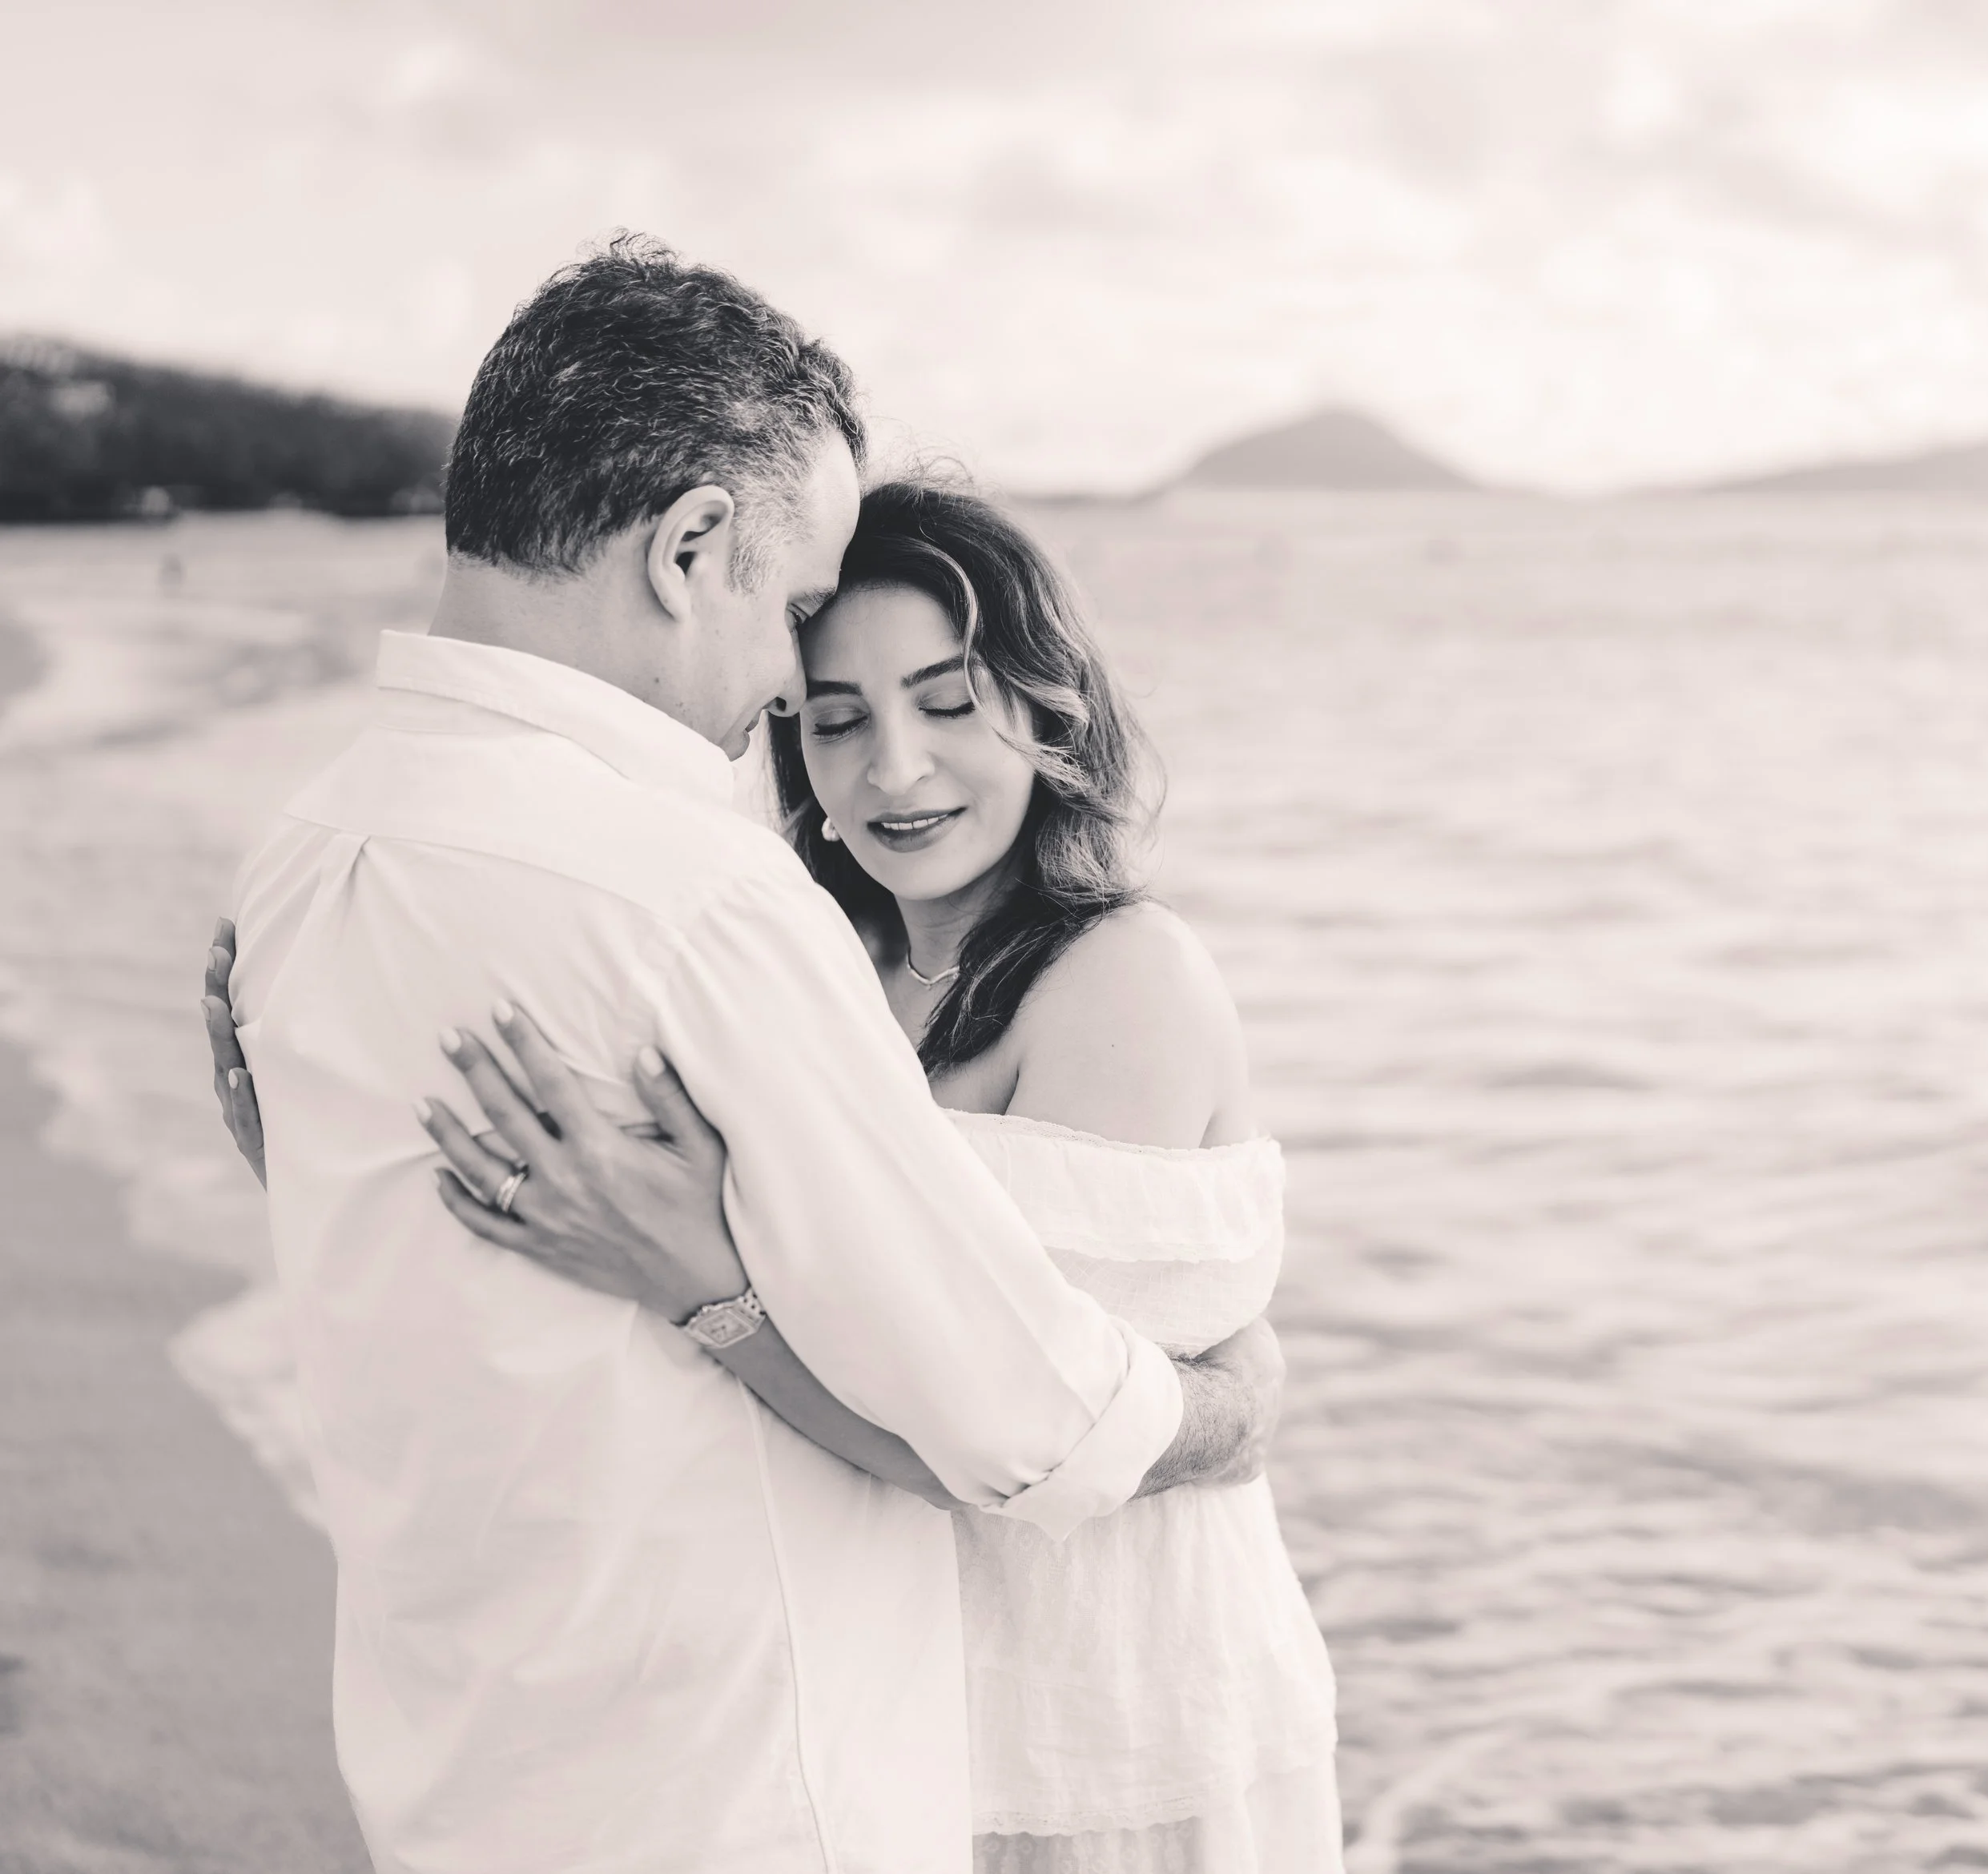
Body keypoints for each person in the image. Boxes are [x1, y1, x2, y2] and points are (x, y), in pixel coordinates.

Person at [200, 239, 1279, 1874]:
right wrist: (1229, 1399)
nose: (792, 685)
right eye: (794, 620)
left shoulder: (306, 855)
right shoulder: (694, 899)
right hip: (738, 1789)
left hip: (456, 1767)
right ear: (690, 543)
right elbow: (1022, 1414)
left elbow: (408, 1280)